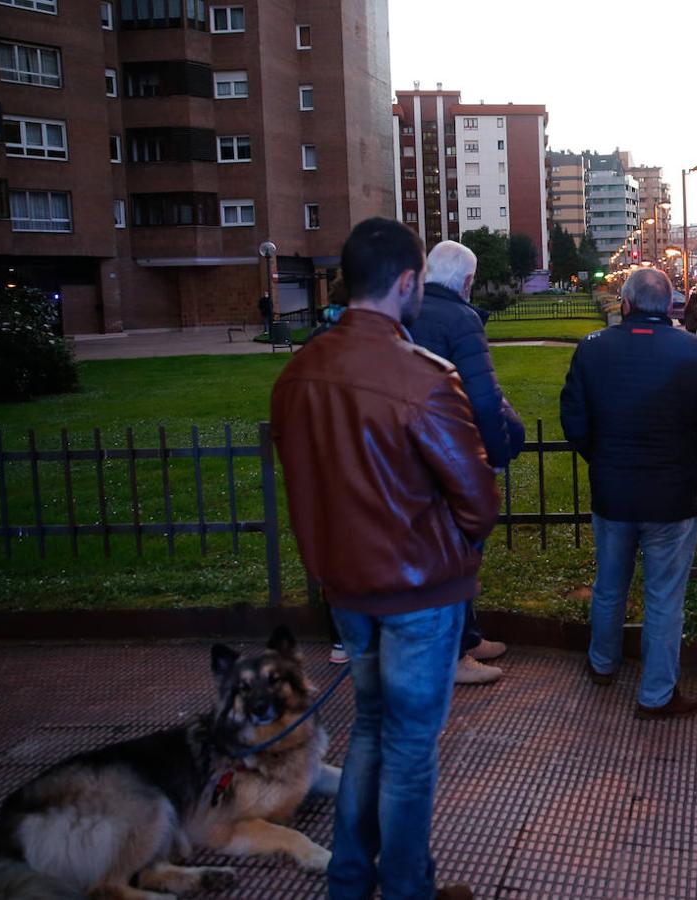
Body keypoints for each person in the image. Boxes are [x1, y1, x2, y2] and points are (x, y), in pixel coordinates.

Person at [271, 217, 498, 900]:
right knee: (408, 749)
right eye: (419, 284)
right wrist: (453, 552)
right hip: (418, 594)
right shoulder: (424, 377)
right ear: (407, 282)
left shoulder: (298, 371)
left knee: (370, 728)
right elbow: (478, 499)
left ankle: (349, 881)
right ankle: (405, 888)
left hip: (345, 591)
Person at [560, 268, 697, 718]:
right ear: (670, 306)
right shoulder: (694, 351)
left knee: (609, 585)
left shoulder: (594, 349)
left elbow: (574, 420)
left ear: (625, 303)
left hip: (613, 492)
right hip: (671, 496)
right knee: (664, 598)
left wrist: (601, 460)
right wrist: (694, 467)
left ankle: (602, 663)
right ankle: (656, 694)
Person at [405, 240, 525, 687]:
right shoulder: (461, 318)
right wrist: (500, 450)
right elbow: (481, 397)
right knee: (458, 559)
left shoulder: (405, 310)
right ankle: (455, 654)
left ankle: (467, 638)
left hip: (408, 458)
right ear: (468, 282)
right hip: (450, 459)